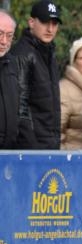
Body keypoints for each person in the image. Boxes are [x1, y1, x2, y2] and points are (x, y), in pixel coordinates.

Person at [11, 0, 62, 149]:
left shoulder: (49, 53)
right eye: (45, 22)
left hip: (49, 144)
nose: (50, 29)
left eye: (54, 23)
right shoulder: (23, 53)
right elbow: (20, 107)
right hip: (31, 148)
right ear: (32, 22)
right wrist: (32, 148)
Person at [0, 9, 32, 149]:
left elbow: (22, 112)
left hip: (9, 156)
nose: (4, 41)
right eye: (0, 34)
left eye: (9, 35)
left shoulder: (14, 65)